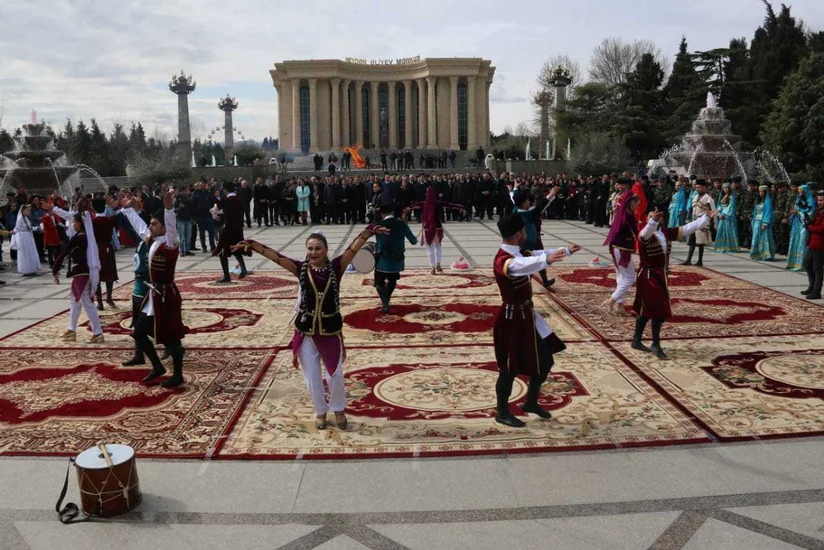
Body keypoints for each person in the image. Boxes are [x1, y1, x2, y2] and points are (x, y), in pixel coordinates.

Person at [232, 224, 388, 430]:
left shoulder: (336, 267)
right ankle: (321, 412)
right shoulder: (301, 269)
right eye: (310, 249)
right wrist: (253, 245)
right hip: (305, 331)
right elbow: (277, 257)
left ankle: (338, 408)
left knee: (335, 375)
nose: (313, 253)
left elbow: (353, 248)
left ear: (325, 250)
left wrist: (370, 231)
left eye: (317, 248)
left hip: (330, 330)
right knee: (312, 378)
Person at [492, 213, 580, 427]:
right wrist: (545, 260)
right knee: (509, 368)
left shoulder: (520, 253)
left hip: (527, 316)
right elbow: (523, 266)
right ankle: (502, 412)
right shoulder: (504, 260)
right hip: (512, 319)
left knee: (546, 359)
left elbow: (537, 254)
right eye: (525, 231)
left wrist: (564, 251)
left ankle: (530, 402)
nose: (527, 234)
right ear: (518, 233)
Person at [118, 191, 188, 387]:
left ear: (164, 228)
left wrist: (168, 209)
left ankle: (178, 374)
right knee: (139, 332)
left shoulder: (170, 243)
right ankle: (158, 366)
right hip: (154, 295)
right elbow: (140, 228)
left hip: (167, 296)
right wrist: (127, 209)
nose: (150, 226)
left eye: (155, 224)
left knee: (171, 335)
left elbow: (172, 227)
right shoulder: (153, 241)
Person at [632, 208, 716, 359]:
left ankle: (636, 340)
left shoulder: (665, 233)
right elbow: (646, 232)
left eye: (658, 217)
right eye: (651, 216)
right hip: (648, 275)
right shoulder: (644, 235)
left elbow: (687, 228)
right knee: (657, 308)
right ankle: (656, 344)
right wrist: (653, 221)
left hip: (660, 275)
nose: (655, 218)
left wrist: (705, 218)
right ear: (647, 220)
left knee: (648, 308)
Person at [51, 211, 104, 343]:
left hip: (81, 273)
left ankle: (98, 333)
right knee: (75, 300)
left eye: (75, 222)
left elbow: (64, 252)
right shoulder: (87, 237)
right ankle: (72, 329)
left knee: (86, 301)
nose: (73, 224)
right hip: (83, 272)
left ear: (80, 224)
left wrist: (55, 268)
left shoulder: (79, 237)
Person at [409, 185, 464, 275]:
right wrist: (459, 206)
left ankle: (433, 267)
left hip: (427, 227)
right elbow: (449, 205)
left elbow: (413, 206)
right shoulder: (437, 203)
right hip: (437, 226)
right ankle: (438, 264)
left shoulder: (424, 203)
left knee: (429, 248)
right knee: (438, 246)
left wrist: (406, 209)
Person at [511, 186, 559, 288]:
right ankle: (524, 286)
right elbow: (541, 206)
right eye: (528, 201)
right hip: (530, 243)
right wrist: (551, 195)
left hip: (520, 243)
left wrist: (515, 188)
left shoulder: (515, 210)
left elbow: (513, 197)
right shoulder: (528, 215)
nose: (529, 202)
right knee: (533, 263)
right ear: (524, 203)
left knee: (530, 263)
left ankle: (542, 280)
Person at [374, 203, 417, 313]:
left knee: (379, 282)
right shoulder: (401, 224)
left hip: (383, 259)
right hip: (397, 259)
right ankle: (386, 301)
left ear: (382, 214)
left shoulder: (379, 225)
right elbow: (413, 241)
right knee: (392, 279)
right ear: (393, 212)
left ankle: (385, 303)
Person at [603, 189, 640, 317]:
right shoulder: (627, 215)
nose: (637, 207)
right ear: (631, 203)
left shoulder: (623, 213)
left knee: (622, 277)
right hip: (622, 248)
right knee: (630, 277)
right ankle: (612, 300)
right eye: (636, 204)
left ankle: (620, 305)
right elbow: (636, 233)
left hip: (617, 247)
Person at [213, 181, 250, 283]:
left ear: (225, 190)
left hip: (229, 229)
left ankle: (226, 276)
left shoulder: (229, 200)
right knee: (236, 249)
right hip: (238, 229)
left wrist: (213, 196)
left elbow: (219, 205)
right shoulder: (238, 199)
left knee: (222, 252)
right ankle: (243, 268)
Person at [681, 179, 716, 267]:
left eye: (699, 187)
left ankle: (700, 261)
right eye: (696, 187)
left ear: (704, 187)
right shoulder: (695, 196)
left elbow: (713, 212)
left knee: (701, 242)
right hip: (694, 220)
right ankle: (688, 260)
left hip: (703, 221)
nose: (697, 189)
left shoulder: (708, 198)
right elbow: (692, 208)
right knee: (691, 240)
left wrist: (712, 224)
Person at [786, 184, 815, 272]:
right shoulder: (798, 200)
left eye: (802, 192)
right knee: (794, 242)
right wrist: (790, 215)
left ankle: (801, 264)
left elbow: (810, 214)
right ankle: (792, 263)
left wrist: (798, 212)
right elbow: (795, 208)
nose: (800, 194)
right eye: (799, 192)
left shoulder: (810, 201)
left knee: (802, 243)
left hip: (803, 225)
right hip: (796, 224)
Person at [802, 190, 824, 300]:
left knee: (818, 269)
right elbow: (813, 222)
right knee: (806, 264)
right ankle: (811, 286)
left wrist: (809, 227)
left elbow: (821, 229)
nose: (819, 202)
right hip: (812, 243)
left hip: (820, 244)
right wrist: (808, 220)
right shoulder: (817, 211)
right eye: (818, 200)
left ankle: (816, 291)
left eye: (821, 200)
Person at [12, 204, 40, 276]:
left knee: (31, 253)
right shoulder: (20, 219)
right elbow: (17, 228)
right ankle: (26, 269)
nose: (28, 212)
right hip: (23, 238)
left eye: (29, 210)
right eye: (27, 210)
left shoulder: (27, 218)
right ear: (23, 210)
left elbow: (29, 228)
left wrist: (36, 228)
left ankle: (32, 268)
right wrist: (13, 233)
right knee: (25, 253)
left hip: (28, 237)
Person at [750, 185, 776, 261]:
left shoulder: (768, 201)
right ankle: (757, 254)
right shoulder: (758, 201)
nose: (761, 193)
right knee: (756, 238)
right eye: (760, 192)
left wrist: (765, 223)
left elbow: (768, 213)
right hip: (756, 222)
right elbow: (755, 212)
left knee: (765, 238)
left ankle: (766, 255)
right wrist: (753, 220)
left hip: (763, 222)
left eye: (762, 192)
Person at [714, 182, 739, 254]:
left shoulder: (732, 197)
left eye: (726, 188)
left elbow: (731, 207)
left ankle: (730, 247)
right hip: (722, 216)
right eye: (724, 188)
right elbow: (719, 206)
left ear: (729, 188)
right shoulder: (723, 196)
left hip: (728, 217)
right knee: (722, 231)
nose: (725, 189)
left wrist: (724, 214)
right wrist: (718, 213)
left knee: (729, 231)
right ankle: (722, 245)